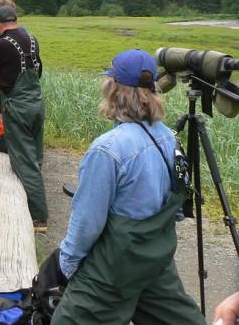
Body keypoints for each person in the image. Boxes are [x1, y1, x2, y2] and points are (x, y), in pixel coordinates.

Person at [51, 49, 204, 324]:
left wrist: (67, 266)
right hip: (156, 261)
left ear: (113, 91)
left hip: (115, 268)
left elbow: (88, 222)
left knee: (66, 320)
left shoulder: (107, 150)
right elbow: (178, 209)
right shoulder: (170, 139)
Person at [0, 3, 48, 228]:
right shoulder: (33, 40)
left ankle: (38, 217)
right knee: (35, 155)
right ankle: (32, 197)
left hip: (17, 106)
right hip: (36, 103)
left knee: (24, 161)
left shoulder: (2, 45)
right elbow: (38, 71)